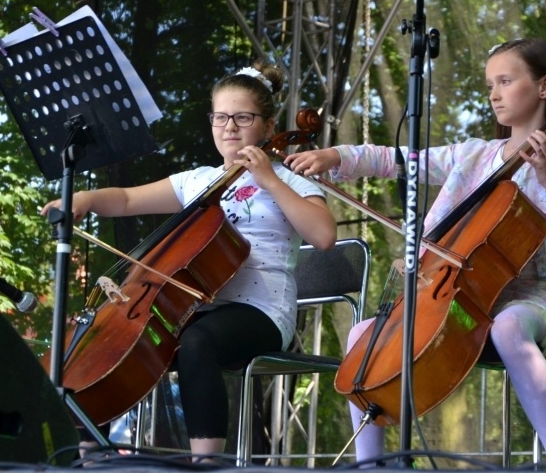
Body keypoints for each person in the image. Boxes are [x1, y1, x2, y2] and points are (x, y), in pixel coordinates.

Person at [284, 37, 546, 465]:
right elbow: (398, 159)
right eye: (489, 84)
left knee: (510, 326)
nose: (494, 94)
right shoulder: (474, 155)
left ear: (545, 86)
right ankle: (371, 464)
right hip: (462, 296)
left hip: (542, 297)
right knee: (361, 336)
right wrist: (335, 155)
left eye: (506, 81)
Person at [41, 60, 337, 462]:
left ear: (268, 127)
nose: (229, 126)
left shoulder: (292, 181)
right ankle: (89, 453)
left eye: (242, 117)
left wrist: (269, 179)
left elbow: (323, 236)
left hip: (261, 312)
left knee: (197, 343)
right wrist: (86, 199)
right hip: (197, 307)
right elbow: (127, 199)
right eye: (220, 117)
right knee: (112, 339)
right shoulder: (197, 181)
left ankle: (206, 463)